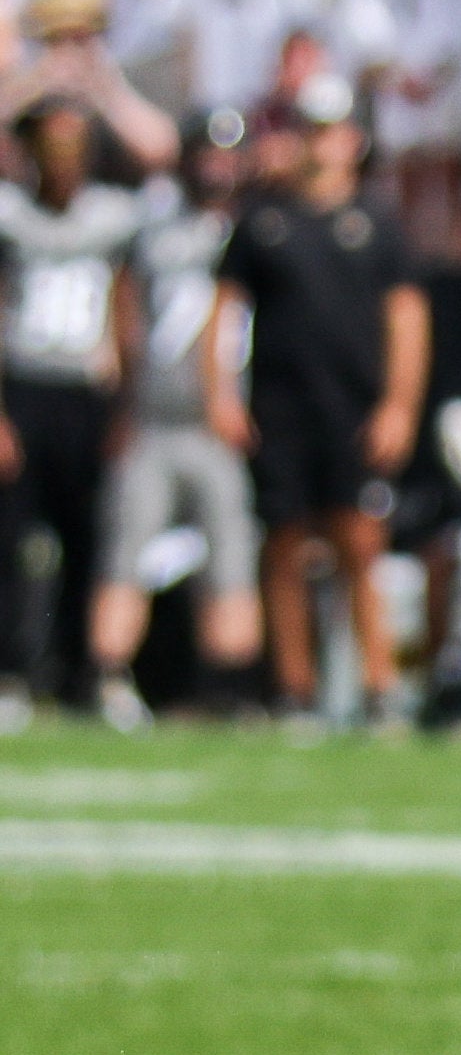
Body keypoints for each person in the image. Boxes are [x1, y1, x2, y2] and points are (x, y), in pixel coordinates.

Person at [217, 79, 425, 728]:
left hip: (352, 405)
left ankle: (379, 684)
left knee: (359, 543)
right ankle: (293, 687)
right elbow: (224, 314)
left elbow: (407, 321)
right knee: (282, 544)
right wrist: (220, 393)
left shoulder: (378, 225)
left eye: (331, 130)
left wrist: (399, 404)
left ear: (353, 140)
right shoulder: (263, 222)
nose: (320, 144)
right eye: (310, 129)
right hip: (280, 405)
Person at [87, 108, 263, 722]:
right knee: (125, 550)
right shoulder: (153, 226)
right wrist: (123, 398)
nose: (217, 167)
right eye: (208, 153)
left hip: (221, 429)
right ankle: (107, 677)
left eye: (228, 154)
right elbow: (124, 305)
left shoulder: (255, 230)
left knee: (231, 556)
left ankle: (227, 688)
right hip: (155, 419)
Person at [0, 86, 145, 712]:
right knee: (11, 539)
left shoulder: (112, 215)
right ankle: (10, 670)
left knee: (86, 536)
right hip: (23, 385)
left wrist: (124, 405)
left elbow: (125, 306)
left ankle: (77, 670)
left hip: (86, 391)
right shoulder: (10, 213)